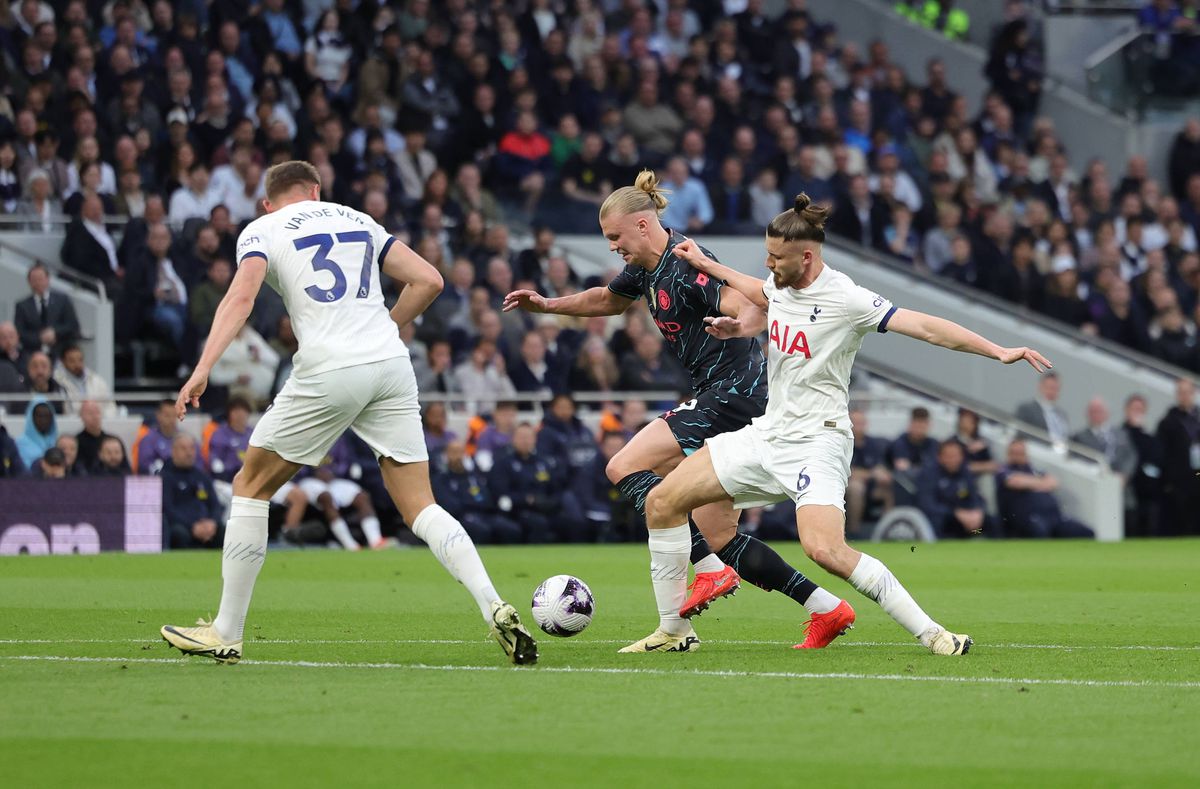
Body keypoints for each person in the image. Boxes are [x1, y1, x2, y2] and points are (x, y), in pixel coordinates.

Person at [161, 161, 537, 665]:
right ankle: (493, 604)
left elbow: (241, 296)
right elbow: (429, 279)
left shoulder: (263, 228)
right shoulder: (357, 218)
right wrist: (385, 325)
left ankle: (225, 631)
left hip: (330, 367)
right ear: (316, 191)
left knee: (250, 487)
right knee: (420, 505)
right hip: (390, 365)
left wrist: (202, 367)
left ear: (269, 202)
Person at [647, 194, 1052, 655]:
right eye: (767, 255)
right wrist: (709, 270)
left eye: (776, 257)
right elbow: (758, 289)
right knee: (662, 501)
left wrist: (998, 351)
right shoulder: (781, 282)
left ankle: (935, 634)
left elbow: (925, 326)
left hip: (818, 441)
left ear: (807, 256)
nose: (768, 264)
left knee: (825, 550)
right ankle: (672, 634)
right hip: (766, 435)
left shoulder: (847, 298)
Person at [504, 171, 844, 653]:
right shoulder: (647, 265)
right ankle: (826, 608)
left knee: (625, 465)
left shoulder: (686, 262)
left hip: (732, 393)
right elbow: (608, 299)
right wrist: (546, 305)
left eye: (615, 237)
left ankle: (700, 582)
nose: (612, 247)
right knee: (719, 531)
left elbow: (754, 306)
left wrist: (738, 325)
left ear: (644, 226)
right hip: (722, 394)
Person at [996, 439, 1094, 539]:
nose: (1018, 456)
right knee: (1039, 531)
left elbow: (1054, 482)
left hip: (1054, 516)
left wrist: (1028, 483)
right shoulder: (1004, 469)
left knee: (1086, 532)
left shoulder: (1034, 470)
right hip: (1027, 518)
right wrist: (1040, 483)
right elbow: (1015, 482)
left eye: (1021, 453)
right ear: (1008, 454)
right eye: (1015, 453)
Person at [432, 440, 521, 545]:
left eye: (461, 452)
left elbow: (487, 500)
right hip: (462, 517)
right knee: (481, 530)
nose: (458, 457)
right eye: (454, 452)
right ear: (446, 455)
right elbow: (450, 505)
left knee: (510, 529)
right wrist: (472, 504)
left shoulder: (474, 477)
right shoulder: (441, 479)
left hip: (484, 514)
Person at [917, 440, 994, 539]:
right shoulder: (928, 474)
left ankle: (988, 543)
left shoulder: (965, 472)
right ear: (939, 457)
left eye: (955, 456)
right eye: (948, 456)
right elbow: (927, 504)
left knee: (991, 522)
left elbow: (976, 496)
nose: (952, 459)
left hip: (968, 523)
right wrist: (955, 513)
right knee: (938, 520)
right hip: (945, 520)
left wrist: (977, 512)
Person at [161, 433, 224, 549]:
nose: (189, 453)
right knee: (178, 533)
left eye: (192, 448)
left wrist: (212, 523)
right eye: (183, 449)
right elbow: (167, 509)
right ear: (173, 451)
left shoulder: (202, 476)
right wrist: (192, 526)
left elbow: (215, 505)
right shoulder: (165, 477)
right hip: (183, 526)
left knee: (223, 529)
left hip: (206, 526)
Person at [1155, 377, 1200, 536]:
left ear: (1194, 393)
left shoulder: (1198, 419)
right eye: (1181, 392)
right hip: (1179, 482)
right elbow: (1161, 454)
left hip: (1198, 476)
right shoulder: (1168, 422)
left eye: (1188, 392)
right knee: (1182, 524)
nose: (1184, 396)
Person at [13, 263, 80, 359]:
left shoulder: (62, 300)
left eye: (40, 279)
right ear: (29, 282)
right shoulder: (22, 306)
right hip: (33, 355)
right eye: (34, 280)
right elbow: (20, 332)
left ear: (48, 279)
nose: (38, 282)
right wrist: (40, 338)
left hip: (61, 353)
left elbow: (73, 325)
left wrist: (55, 332)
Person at [846, 407, 893, 538]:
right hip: (845, 487)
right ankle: (854, 532)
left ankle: (886, 530)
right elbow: (848, 472)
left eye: (861, 422)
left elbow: (880, 466)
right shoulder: (843, 443)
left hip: (871, 487)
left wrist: (883, 474)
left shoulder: (873, 444)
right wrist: (871, 474)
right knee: (856, 488)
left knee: (888, 487)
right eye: (855, 422)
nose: (858, 426)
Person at [53, 345, 113, 415]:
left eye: (80, 360)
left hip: (97, 423)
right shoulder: (57, 382)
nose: (77, 364)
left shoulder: (96, 380)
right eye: (72, 361)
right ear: (63, 362)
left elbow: (110, 407)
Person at [206, 397, 253, 484]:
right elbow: (215, 459)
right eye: (236, 411)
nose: (240, 414)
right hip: (228, 478)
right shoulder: (220, 434)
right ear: (229, 414)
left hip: (252, 476)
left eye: (243, 411)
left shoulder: (253, 433)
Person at [1016, 371, 1070, 445]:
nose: (1051, 392)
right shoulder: (1026, 409)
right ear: (1040, 387)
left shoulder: (1062, 415)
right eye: (1049, 388)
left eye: (1055, 389)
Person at [16, 398, 59, 469]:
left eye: (47, 416)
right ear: (31, 418)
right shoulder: (19, 444)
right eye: (40, 416)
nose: (44, 420)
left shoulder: (58, 443)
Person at [75, 400, 113, 472]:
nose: (95, 416)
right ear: (81, 416)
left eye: (97, 412)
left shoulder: (111, 441)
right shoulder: (76, 442)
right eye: (90, 413)